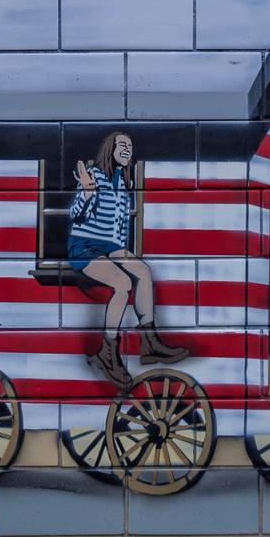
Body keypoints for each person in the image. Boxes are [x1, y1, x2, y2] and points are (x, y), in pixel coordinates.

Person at [68, 131, 188, 387]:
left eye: (130, 147)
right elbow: (75, 214)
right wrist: (87, 192)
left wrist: (120, 253)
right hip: (85, 247)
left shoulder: (122, 182)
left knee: (143, 271)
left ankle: (149, 343)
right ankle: (107, 352)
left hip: (110, 246)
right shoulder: (95, 175)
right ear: (109, 149)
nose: (127, 150)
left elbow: (118, 226)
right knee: (122, 284)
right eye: (122, 145)